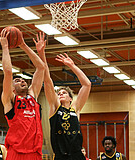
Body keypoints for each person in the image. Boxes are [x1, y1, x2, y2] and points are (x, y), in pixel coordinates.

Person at [36, 32, 91, 160]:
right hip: (61, 156)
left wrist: (72, 65)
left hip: (77, 154)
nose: (60, 94)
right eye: (59, 93)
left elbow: (87, 84)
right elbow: (47, 80)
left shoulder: (75, 109)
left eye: (64, 93)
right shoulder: (55, 107)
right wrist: (41, 53)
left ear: (70, 98)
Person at [0, 29, 45, 160]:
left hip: (35, 153)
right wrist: (5, 47)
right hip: (16, 153)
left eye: (23, 79)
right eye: (17, 81)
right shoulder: (10, 100)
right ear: (12, 89)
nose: (22, 81)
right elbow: (8, 72)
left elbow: (41, 67)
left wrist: (23, 44)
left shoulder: (33, 96)